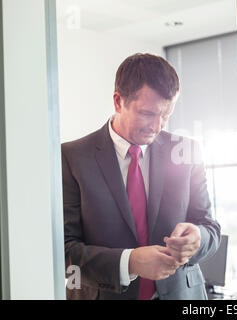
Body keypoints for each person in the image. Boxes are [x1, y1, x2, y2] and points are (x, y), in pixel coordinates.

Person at [62, 53, 221, 300]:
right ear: (118, 101)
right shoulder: (71, 157)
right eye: (148, 113)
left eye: (166, 115)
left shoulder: (187, 151)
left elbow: (210, 228)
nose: (157, 126)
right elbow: (64, 250)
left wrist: (197, 238)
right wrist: (130, 262)